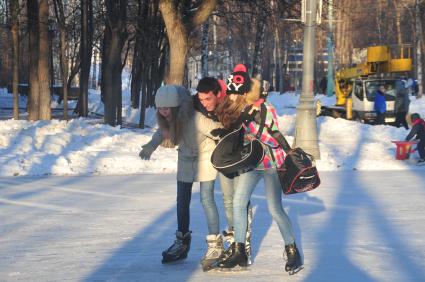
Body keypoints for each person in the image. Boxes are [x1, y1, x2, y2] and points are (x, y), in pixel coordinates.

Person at [215, 65, 303, 274]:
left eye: (236, 94)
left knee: (275, 209)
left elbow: (274, 137)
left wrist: (255, 135)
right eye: (231, 93)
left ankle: (292, 250)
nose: (232, 97)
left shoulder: (265, 109)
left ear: (245, 93)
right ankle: (239, 251)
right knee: (238, 202)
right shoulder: (242, 110)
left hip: (270, 164)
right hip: (252, 163)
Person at [139, 85, 221, 263]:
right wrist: (150, 146)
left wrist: (232, 146)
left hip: (205, 156)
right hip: (185, 157)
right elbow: (161, 132)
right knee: (182, 201)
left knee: (206, 199)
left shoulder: (195, 117)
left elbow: (217, 131)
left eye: (167, 108)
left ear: (176, 106)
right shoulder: (169, 118)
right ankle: (182, 242)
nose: (163, 112)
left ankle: (215, 244)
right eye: (160, 108)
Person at [194, 76, 254, 269]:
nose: (204, 103)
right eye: (201, 100)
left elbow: (247, 130)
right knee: (229, 201)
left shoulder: (236, 108)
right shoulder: (212, 109)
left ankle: (242, 245)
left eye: (207, 99)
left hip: (240, 160)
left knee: (239, 202)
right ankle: (234, 244)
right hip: (225, 161)